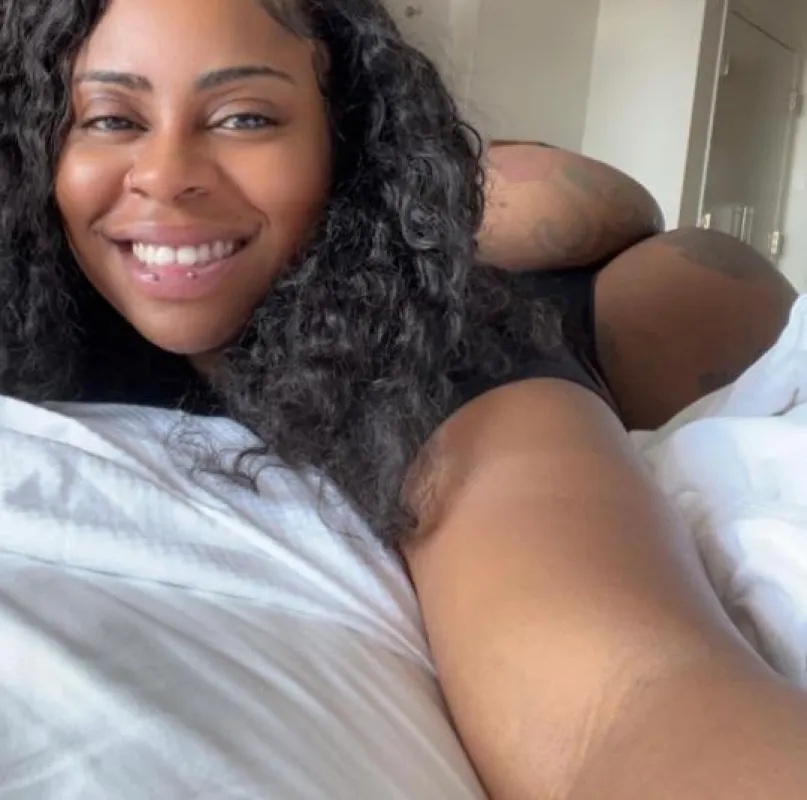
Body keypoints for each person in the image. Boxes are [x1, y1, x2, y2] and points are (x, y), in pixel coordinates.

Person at [0, 0, 803, 798]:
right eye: (109, 119)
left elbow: (624, 697)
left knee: (683, 265)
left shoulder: (450, 356)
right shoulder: (35, 295)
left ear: (342, 140)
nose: (165, 174)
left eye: (246, 118)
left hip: (575, 307)